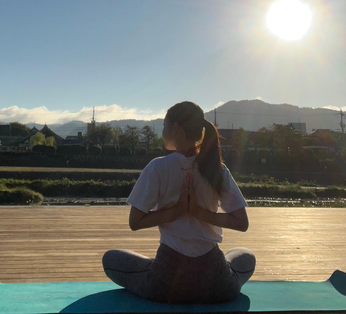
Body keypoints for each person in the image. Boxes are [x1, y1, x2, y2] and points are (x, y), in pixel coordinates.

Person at [102, 101, 255, 304]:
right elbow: (241, 223)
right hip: (216, 283)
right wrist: (199, 213)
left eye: (165, 125)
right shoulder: (216, 168)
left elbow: (135, 222)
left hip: (166, 283)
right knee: (245, 257)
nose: (164, 131)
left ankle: (152, 266)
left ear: (175, 127)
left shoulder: (157, 167)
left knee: (111, 260)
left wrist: (177, 211)